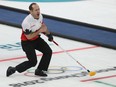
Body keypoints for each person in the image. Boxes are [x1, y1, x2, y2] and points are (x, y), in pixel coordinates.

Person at [6, 3, 53, 77]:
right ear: (31, 11)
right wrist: (39, 31)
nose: (38, 11)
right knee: (33, 62)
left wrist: (49, 34)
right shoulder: (26, 23)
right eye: (36, 10)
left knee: (48, 51)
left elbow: (43, 27)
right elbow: (29, 37)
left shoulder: (40, 16)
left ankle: (39, 70)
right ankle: (13, 69)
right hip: (27, 42)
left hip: (36, 39)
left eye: (38, 9)